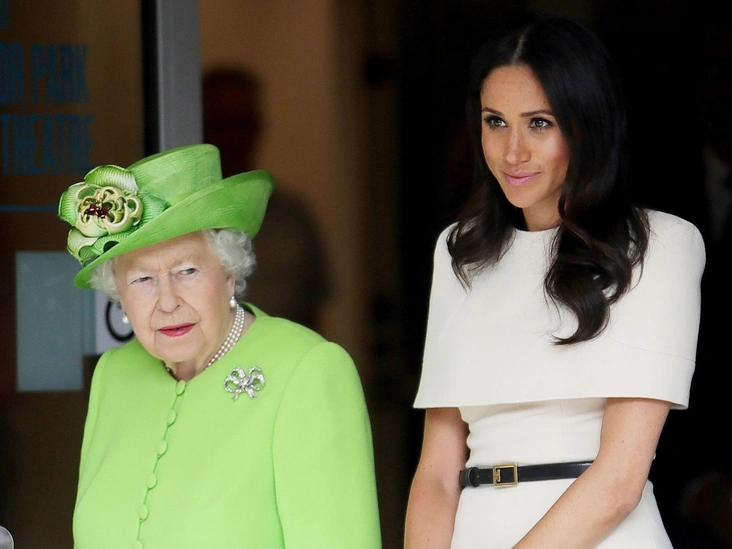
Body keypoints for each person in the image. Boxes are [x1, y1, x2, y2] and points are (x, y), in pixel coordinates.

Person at [404, 13, 705, 549]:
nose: (512, 151)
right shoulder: (459, 252)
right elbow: (436, 473)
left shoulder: (660, 245)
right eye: (495, 122)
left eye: (539, 123)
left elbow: (619, 483)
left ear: (587, 125)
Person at [57, 143, 381, 548]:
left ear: (229, 273)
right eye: (142, 279)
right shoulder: (114, 374)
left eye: (188, 270)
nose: (168, 301)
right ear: (119, 294)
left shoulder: (308, 369)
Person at [202, 67, 333, 331]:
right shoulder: (178, 222)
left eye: (242, 123)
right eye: (222, 124)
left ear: (257, 127)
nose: (234, 136)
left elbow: (314, 317)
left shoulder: (293, 218)